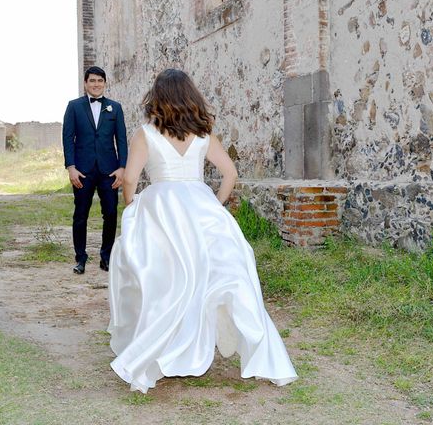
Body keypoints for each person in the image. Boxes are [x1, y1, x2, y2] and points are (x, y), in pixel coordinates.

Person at [107, 69, 297, 393]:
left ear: (157, 97)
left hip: (161, 209)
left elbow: (130, 179)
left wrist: (133, 206)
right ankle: (229, 348)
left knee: (164, 283)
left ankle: (162, 350)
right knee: (213, 277)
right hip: (201, 206)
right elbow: (230, 174)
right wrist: (216, 205)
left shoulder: (145, 134)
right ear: (190, 96)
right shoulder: (205, 133)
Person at [62, 66, 128, 275]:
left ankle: (106, 257)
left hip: (109, 170)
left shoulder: (115, 108)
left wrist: (122, 168)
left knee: (110, 214)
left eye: (100, 80)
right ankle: (80, 258)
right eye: (92, 81)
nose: (96, 84)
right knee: (80, 214)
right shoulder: (74, 107)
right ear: (85, 83)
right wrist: (71, 168)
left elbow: (122, 140)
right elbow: (68, 139)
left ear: (105, 83)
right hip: (82, 170)